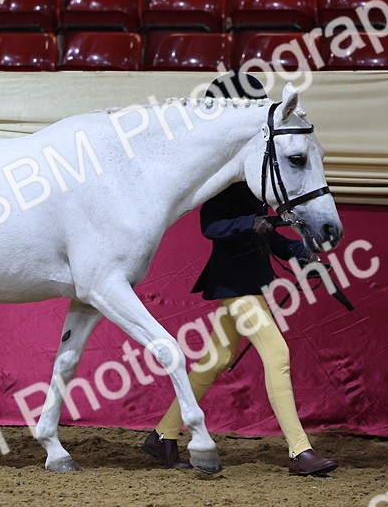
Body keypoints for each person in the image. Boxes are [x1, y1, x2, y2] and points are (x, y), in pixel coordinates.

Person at [141, 70, 339, 476]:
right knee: (277, 354)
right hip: (233, 281)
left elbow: (270, 234)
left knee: (215, 360)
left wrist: (302, 254)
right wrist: (251, 224)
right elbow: (210, 227)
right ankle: (299, 451)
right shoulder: (222, 178)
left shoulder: (253, 169)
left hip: (250, 278)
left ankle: (162, 436)